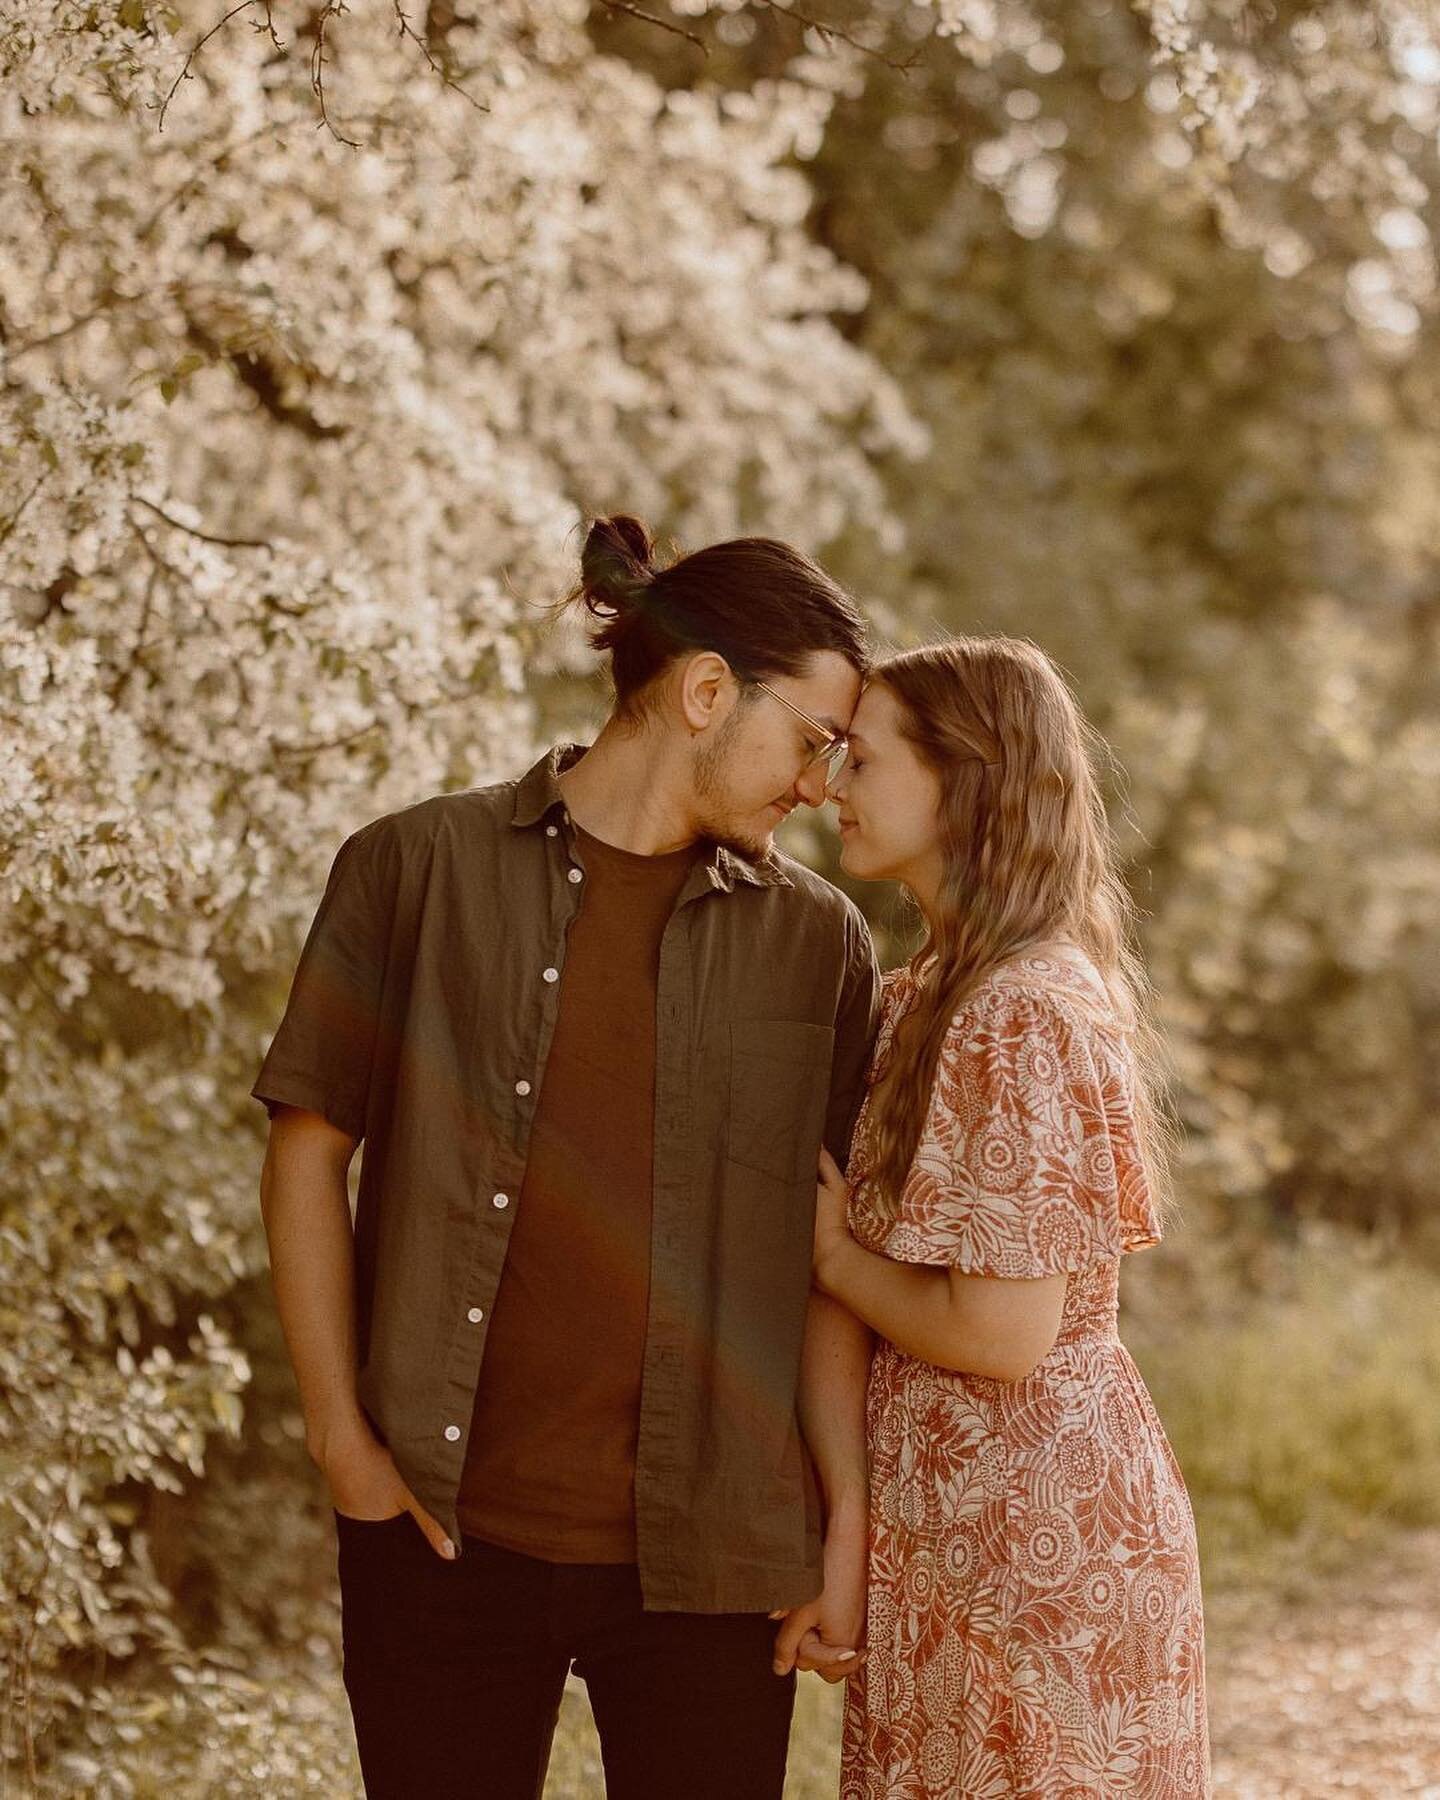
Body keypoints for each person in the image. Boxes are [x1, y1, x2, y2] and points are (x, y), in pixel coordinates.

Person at [251, 513, 882, 1800]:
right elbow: (309, 1153)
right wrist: (341, 1446)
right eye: (814, 743)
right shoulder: (411, 870)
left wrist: (843, 1518)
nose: (822, 788)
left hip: (713, 1548)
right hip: (438, 1529)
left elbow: (830, 1268)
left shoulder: (820, 946)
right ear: (708, 691)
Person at [813, 636, 1211, 1798]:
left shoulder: (1023, 1009)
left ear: (965, 778)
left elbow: (1002, 1333)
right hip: (953, 1536)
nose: (835, 787)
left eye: (866, 760)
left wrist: (836, 1256)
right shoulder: (918, 998)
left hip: (1044, 1550)